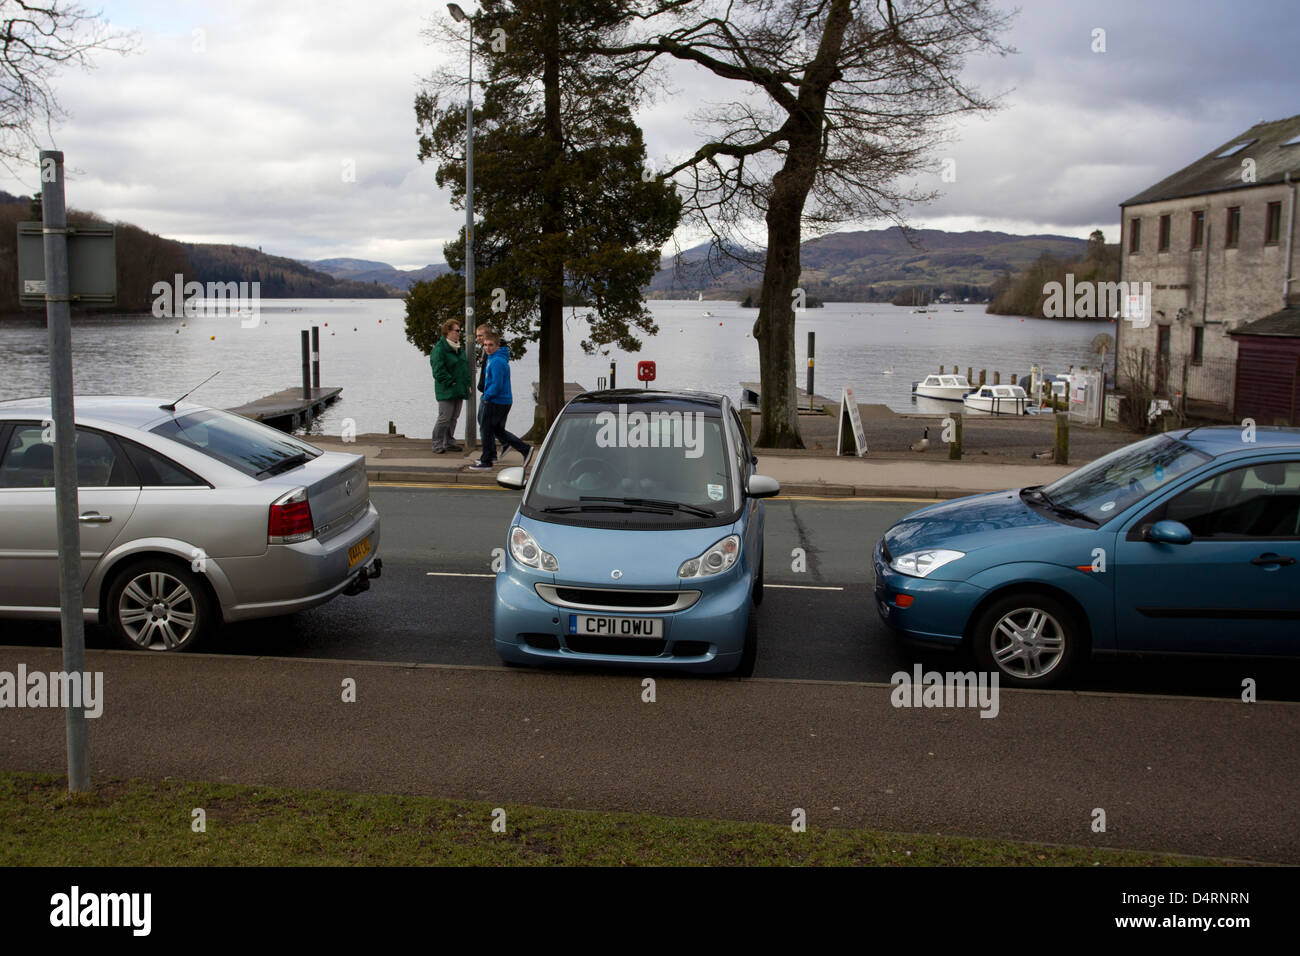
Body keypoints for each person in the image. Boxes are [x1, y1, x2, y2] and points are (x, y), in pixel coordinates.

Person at [470, 330, 531, 470]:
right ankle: (523, 449)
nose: (487, 348)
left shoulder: (497, 361)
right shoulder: (494, 358)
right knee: (497, 430)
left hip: (495, 401)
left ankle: (487, 461)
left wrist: (486, 397)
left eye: (490, 345)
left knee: (486, 429)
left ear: (498, 345)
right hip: (501, 401)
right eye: (485, 345)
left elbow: (496, 385)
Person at [429, 319, 469, 454]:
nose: (459, 333)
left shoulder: (459, 348)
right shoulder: (439, 349)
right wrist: (451, 382)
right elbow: (438, 371)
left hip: (459, 388)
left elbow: (464, 369)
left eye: (460, 330)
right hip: (446, 390)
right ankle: (437, 443)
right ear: (448, 332)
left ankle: (449, 442)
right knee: (444, 417)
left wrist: (466, 384)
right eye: (457, 330)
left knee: (454, 418)